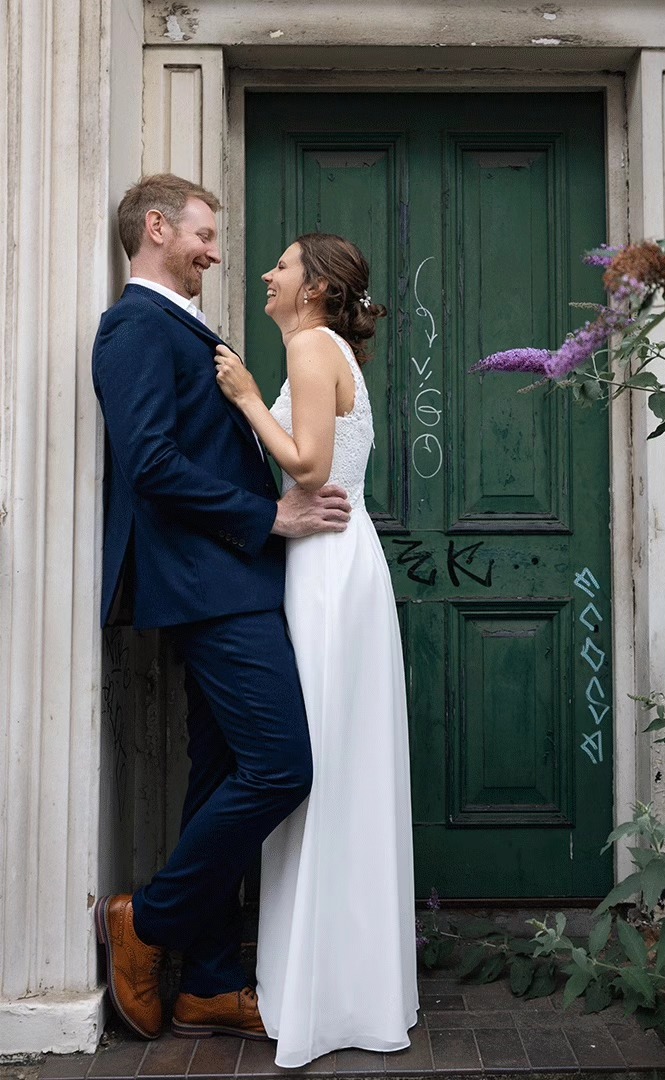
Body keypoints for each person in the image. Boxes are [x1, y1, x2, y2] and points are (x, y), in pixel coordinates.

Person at [92, 174, 352, 1042]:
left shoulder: (180, 324)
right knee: (280, 769)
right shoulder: (135, 326)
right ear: (157, 228)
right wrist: (267, 516)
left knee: (217, 775)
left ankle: (207, 983)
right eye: (203, 234)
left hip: (233, 582)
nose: (215, 250)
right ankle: (148, 922)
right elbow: (150, 464)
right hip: (211, 588)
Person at [213, 233, 420, 1065]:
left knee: (323, 766)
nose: (268, 274)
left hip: (326, 567)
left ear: (313, 288)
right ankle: (349, 985)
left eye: (284, 265)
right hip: (345, 557)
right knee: (342, 764)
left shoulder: (306, 346)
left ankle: (320, 990)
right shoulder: (331, 347)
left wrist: (246, 397)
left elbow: (308, 466)